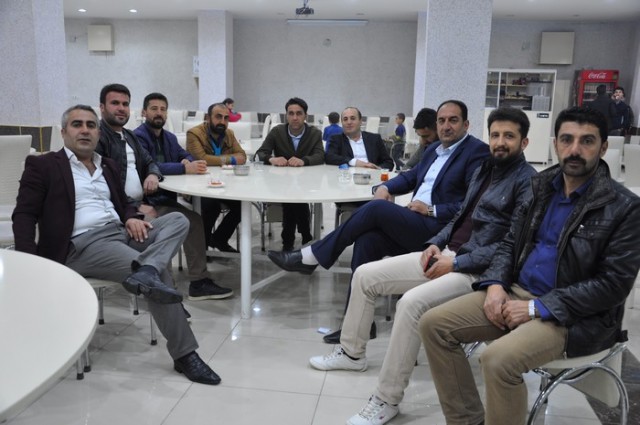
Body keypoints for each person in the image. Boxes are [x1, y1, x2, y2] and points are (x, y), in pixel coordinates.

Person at [310, 107, 537, 425]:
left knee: (411, 304)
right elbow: (459, 217)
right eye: (496, 135)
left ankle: (386, 399)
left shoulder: (529, 183)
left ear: (524, 143)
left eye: (509, 136)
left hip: (474, 270)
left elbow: (511, 247)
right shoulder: (486, 169)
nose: (500, 142)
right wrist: (436, 242)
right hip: (446, 252)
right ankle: (351, 353)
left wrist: (455, 262)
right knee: (365, 275)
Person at [419, 106, 640, 425]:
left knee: (497, 360)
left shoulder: (624, 207)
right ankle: (466, 420)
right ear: (555, 143)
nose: (575, 149)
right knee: (433, 325)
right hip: (516, 291)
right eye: (567, 139)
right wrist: (495, 284)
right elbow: (511, 242)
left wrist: (537, 308)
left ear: (603, 147)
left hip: (572, 316)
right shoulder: (541, 187)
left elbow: (613, 286)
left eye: (587, 141)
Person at [12, 105, 222, 385]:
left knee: (178, 221)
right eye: (77, 124)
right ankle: (185, 355)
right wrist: (30, 261)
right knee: (158, 273)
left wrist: (131, 217)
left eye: (90, 125)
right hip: (83, 244)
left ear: (98, 133)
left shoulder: (107, 165)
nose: (85, 130)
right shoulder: (44, 165)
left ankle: (146, 270)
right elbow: (24, 214)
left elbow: (123, 203)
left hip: (121, 233)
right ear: (63, 132)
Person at [268, 100, 490, 342]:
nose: (446, 126)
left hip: (438, 231)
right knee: (367, 240)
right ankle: (358, 325)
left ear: (466, 124)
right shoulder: (434, 149)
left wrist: (431, 209)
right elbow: (410, 177)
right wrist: (384, 187)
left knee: (376, 208)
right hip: (416, 222)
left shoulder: (476, 152)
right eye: (442, 120)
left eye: (453, 120)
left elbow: (471, 204)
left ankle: (312, 256)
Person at [134, 92, 233, 300]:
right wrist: (183, 168)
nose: (159, 113)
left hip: (165, 198)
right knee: (191, 221)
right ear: (144, 112)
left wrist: (187, 161)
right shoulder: (137, 137)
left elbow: (184, 154)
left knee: (195, 219)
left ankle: (198, 280)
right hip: (146, 202)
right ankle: (182, 283)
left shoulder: (169, 137)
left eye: (163, 109)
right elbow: (148, 165)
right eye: (154, 109)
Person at [255, 97, 325, 251]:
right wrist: (272, 159)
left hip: (306, 182)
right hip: (281, 183)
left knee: (294, 199)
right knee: (293, 199)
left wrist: (303, 161)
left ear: (305, 116)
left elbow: (320, 156)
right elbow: (260, 153)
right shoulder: (277, 132)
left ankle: (288, 243)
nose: (295, 117)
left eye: (299, 113)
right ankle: (306, 236)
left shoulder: (314, 133)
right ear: (286, 115)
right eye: (291, 113)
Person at [187, 102, 246, 252]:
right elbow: (201, 158)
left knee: (243, 205)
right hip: (198, 186)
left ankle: (219, 239)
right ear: (208, 118)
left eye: (226, 118)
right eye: (218, 117)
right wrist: (230, 159)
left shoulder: (229, 133)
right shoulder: (194, 134)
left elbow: (242, 156)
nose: (222, 122)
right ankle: (203, 248)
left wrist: (216, 159)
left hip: (223, 184)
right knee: (211, 206)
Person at [325, 106, 394, 170]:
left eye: (353, 118)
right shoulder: (336, 139)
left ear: (360, 121)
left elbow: (388, 162)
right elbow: (329, 157)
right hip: (347, 176)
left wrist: (378, 169)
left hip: (372, 176)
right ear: (342, 123)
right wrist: (354, 162)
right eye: (345, 119)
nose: (349, 122)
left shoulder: (374, 139)